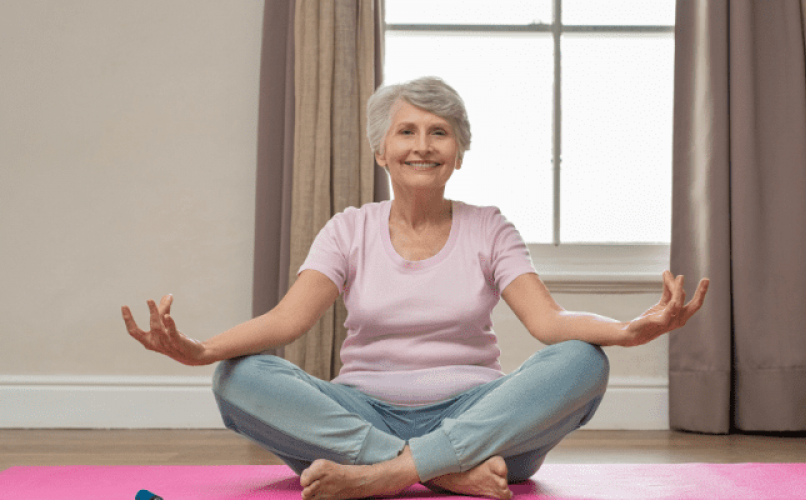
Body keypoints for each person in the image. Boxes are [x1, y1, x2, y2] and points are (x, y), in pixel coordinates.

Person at [121, 76, 710, 500]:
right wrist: (202, 352)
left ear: (459, 154)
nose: (423, 145)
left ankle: (388, 476)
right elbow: (286, 321)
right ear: (382, 150)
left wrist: (628, 331)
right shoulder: (349, 228)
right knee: (239, 376)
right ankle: (433, 472)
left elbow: (548, 323)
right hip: (361, 418)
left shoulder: (489, 226)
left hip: (481, 421)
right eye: (406, 131)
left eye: (439, 133)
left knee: (582, 361)